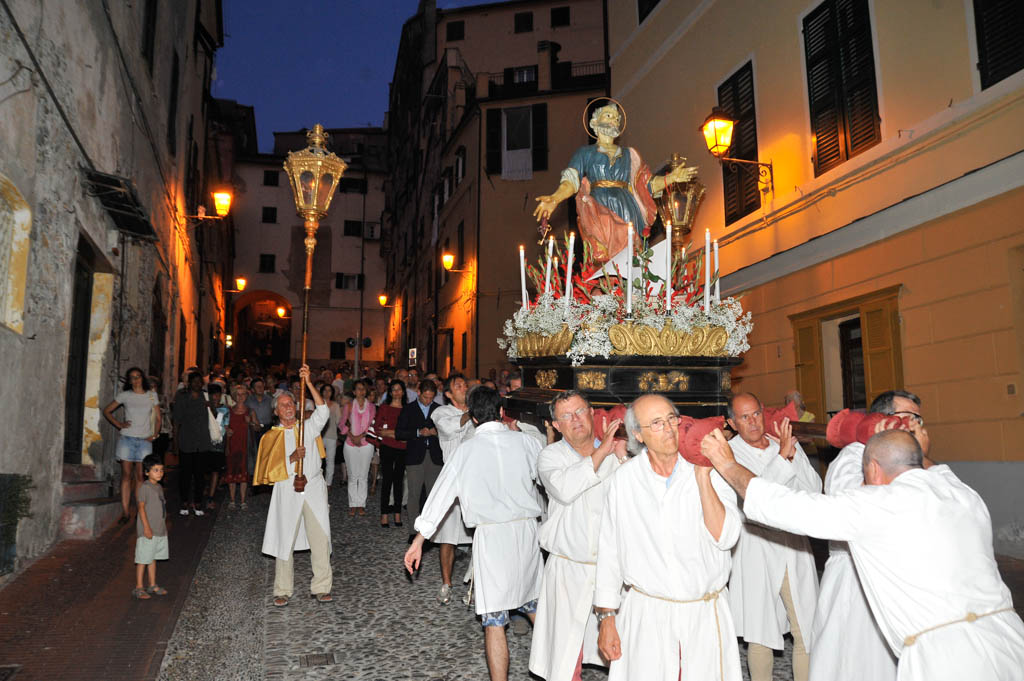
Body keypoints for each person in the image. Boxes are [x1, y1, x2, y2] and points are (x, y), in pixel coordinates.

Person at [704, 426, 1024, 681]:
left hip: (947, 658)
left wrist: (728, 464)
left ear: (872, 469)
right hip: (1009, 639)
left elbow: (782, 505)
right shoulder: (962, 493)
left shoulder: (877, 506)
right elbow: (933, 469)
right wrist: (917, 448)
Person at [595, 394, 743, 681]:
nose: (668, 428)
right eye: (656, 423)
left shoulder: (710, 468)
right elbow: (609, 551)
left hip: (703, 612)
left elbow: (726, 537)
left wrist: (702, 476)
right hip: (648, 613)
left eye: (671, 419)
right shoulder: (625, 480)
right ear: (638, 434)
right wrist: (606, 618)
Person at [404, 386, 544, 681]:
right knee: (535, 605)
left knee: (494, 619)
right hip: (528, 532)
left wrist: (419, 540)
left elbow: (440, 496)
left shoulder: (465, 451)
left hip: (493, 537)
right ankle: (561, 670)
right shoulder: (526, 442)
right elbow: (547, 477)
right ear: (501, 412)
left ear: (474, 418)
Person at [808, 390, 930, 681]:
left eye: (918, 419)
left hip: (896, 577)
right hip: (855, 579)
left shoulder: (912, 463)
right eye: (907, 417)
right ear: (882, 420)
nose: (914, 425)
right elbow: (854, 508)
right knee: (854, 664)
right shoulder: (852, 457)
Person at [529, 391, 626, 681]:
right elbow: (565, 488)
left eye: (580, 411)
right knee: (566, 656)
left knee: (624, 652)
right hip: (569, 568)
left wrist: (622, 457)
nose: (576, 420)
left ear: (592, 412)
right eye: (566, 416)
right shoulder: (550, 456)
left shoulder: (618, 452)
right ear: (556, 425)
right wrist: (603, 451)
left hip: (613, 569)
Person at [725, 393, 821, 681]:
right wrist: (782, 458)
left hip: (793, 544)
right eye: (744, 417)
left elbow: (813, 489)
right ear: (732, 423)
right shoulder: (729, 454)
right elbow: (755, 498)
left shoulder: (781, 441)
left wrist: (793, 456)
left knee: (806, 627)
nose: (753, 422)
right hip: (757, 546)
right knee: (760, 631)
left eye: (756, 413)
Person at [533, 102, 698, 262]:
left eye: (617, 118)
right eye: (608, 115)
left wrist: (671, 178)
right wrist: (555, 198)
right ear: (594, 123)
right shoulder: (585, 153)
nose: (614, 120)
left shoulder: (630, 154)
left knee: (630, 256)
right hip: (598, 207)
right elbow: (571, 180)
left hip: (627, 207)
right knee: (605, 257)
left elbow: (647, 184)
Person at [253, 365, 333, 606]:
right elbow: (267, 470)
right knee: (284, 537)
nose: (288, 407)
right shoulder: (271, 437)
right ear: (276, 411)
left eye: (291, 404)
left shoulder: (307, 427)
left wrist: (308, 383)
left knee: (320, 537)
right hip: (287, 491)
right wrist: (291, 458)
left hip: (313, 488)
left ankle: (322, 586)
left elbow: (323, 411)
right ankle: (282, 589)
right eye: (283, 405)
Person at [430, 374, 476, 604]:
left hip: (475, 480)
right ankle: (447, 584)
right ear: (448, 394)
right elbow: (452, 428)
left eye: (465, 384)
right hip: (451, 479)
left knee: (480, 535)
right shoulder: (441, 413)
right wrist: (475, 410)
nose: (464, 388)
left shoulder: (478, 415)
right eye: (459, 386)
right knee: (447, 537)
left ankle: (476, 585)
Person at [103, 367, 161, 524]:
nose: (136, 380)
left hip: (144, 441)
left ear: (143, 378)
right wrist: (119, 424)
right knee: (126, 476)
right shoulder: (125, 395)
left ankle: (140, 512)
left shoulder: (151, 395)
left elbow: (158, 418)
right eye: (132, 377)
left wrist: (154, 435)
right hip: (127, 439)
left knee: (141, 477)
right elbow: (107, 411)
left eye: (138, 376)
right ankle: (125, 512)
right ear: (129, 380)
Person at [396, 379, 442, 540]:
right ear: (418, 392)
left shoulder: (439, 409)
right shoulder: (408, 409)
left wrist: (436, 432)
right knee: (414, 495)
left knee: (433, 496)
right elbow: (399, 433)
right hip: (415, 456)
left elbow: (448, 432)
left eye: (431, 398)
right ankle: (413, 531)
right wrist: (417, 432)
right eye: (425, 397)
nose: (428, 401)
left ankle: (431, 532)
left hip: (435, 457)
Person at [172, 371, 213, 516]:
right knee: (185, 474)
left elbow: (214, 416)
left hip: (202, 441)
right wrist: (175, 443)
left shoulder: (205, 396)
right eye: (194, 381)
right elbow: (176, 422)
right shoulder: (182, 397)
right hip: (186, 440)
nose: (197, 384)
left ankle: (197, 501)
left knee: (200, 475)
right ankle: (184, 501)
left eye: (199, 381)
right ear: (189, 383)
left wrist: (210, 406)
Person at [132, 454, 168, 600]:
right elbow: (141, 508)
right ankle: (139, 587)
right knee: (143, 559)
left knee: (153, 558)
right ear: (147, 472)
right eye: (155, 470)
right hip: (148, 531)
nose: (160, 473)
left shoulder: (159, 487)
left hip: (159, 530)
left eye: (161, 470)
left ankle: (152, 584)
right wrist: (146, 528)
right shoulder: (145, 488)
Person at [374, 379, 407, 528]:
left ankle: (398, 512)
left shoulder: (407, 409)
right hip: (387, 447)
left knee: (399, 481)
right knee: (387, 480)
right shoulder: (384, 407)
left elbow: (408, 432)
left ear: (403, 392)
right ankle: (384, 514)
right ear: (390, 392)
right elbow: (378, 429)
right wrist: (397, 434)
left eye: (399, 389)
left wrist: (391, 433)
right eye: (394, 389)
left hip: (403, 448)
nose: (396, 392)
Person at [340, 380, 376, 516]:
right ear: (354, 392)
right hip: (350, 444)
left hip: (366, 443)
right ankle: (352, 504)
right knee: (352, 475)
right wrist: (352, 436)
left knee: (363, 475)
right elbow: (342, 424)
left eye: (363, 389)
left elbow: (372, 424)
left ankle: (361, 504)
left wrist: (360, 436)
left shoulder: (371, 407)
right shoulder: (348, 406)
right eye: (358, 389)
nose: (361, 391)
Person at [225, 383, 257, 510]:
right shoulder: (228, 411)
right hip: (232, 445)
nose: (241, 397)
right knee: (231, 472)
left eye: (243, 394)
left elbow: (258, 427)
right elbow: (222, 427)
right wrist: (226, 431)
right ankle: (232, 500)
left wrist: (251, 423)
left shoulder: (250, 411)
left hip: (245, 445)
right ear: (234, 396)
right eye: (238, 394)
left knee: (244, 474)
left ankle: (243, 501)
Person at [205, 383, 230, 510]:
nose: (215, 397)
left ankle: (210, 497)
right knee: (206, 470)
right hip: (204, 444)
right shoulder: (205, 408)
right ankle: (206, 490)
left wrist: (227, 446)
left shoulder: (225, 410)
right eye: (213, 395)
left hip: (219, 445)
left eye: (217, 395)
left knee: (216, 471)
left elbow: (226, 429)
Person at [320, 383, 341, 488]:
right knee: (317, 460)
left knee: (330, 461)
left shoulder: (335, 405)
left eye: (329, 390)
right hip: (318, 436)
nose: (327, 392)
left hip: (331, 436)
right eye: (325, 390)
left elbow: (339, 422)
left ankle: (328, 483)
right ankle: (317, 482)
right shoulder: (317, 403)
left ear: (332, 393)